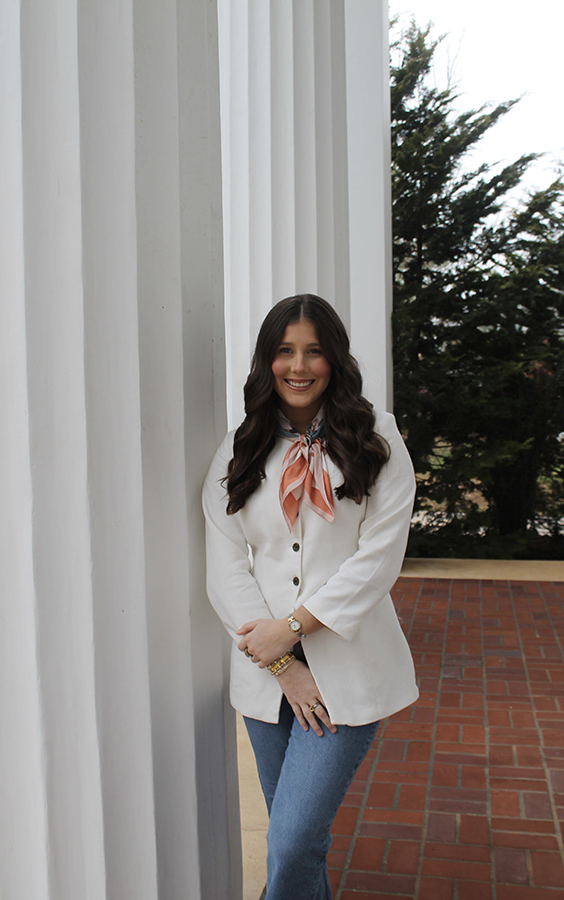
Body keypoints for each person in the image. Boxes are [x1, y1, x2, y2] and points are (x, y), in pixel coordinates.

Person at [202, 294, 418, 900]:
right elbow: (226, 570)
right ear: (266, 361)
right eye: (285, 351)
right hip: (266, 680)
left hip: (348, 675)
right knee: (296, 841)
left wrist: (292, 629)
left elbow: (376, 560)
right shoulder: (239, 448)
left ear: (335, 360)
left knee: (293, 841)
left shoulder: (378, 440)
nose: (299, 366)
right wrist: (281, 664)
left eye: (314, 351)